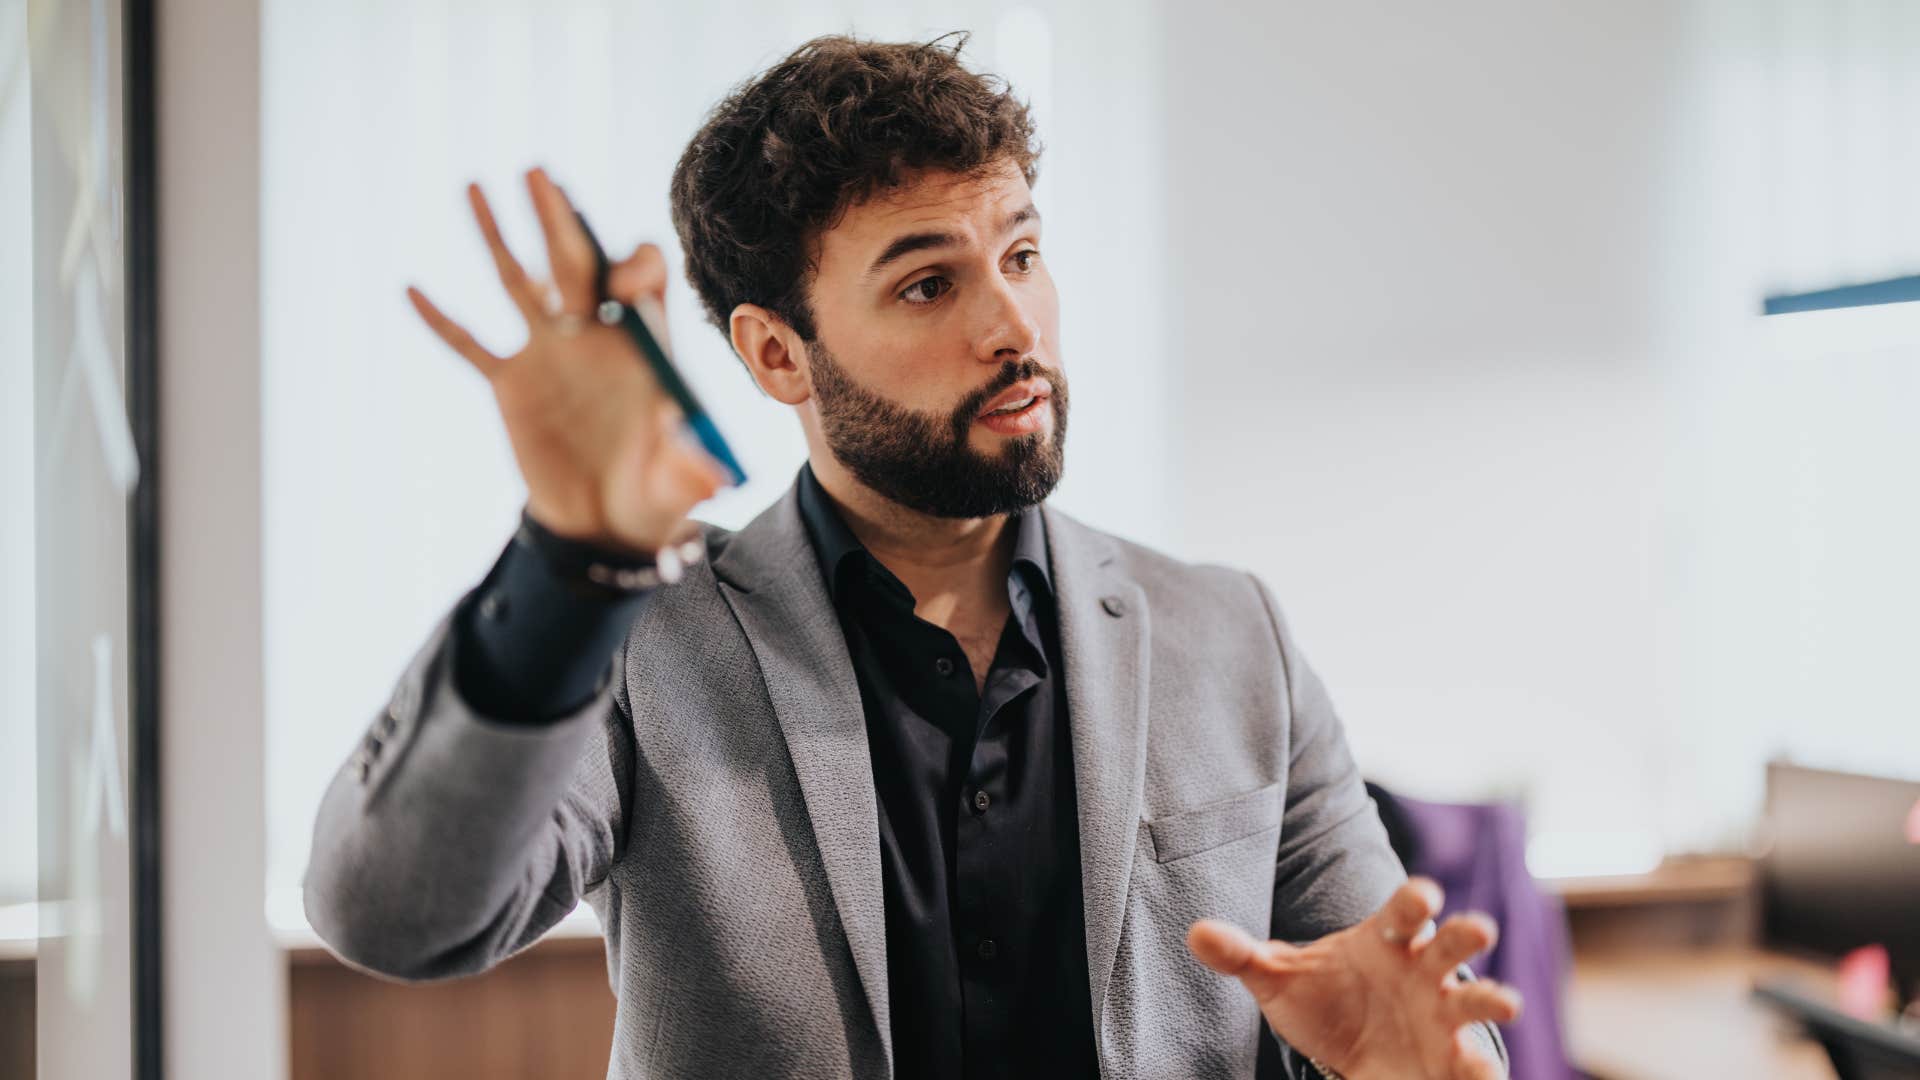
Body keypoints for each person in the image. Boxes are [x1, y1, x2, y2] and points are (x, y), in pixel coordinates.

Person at [305, 33, 1518, 1080]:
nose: (1012, 327)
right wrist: (572, 561)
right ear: (779, 356)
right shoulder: (648, 644)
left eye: (1023, 256)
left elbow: (1384, 1005)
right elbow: (394, 916)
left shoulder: (1229, 636)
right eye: (930, 283)